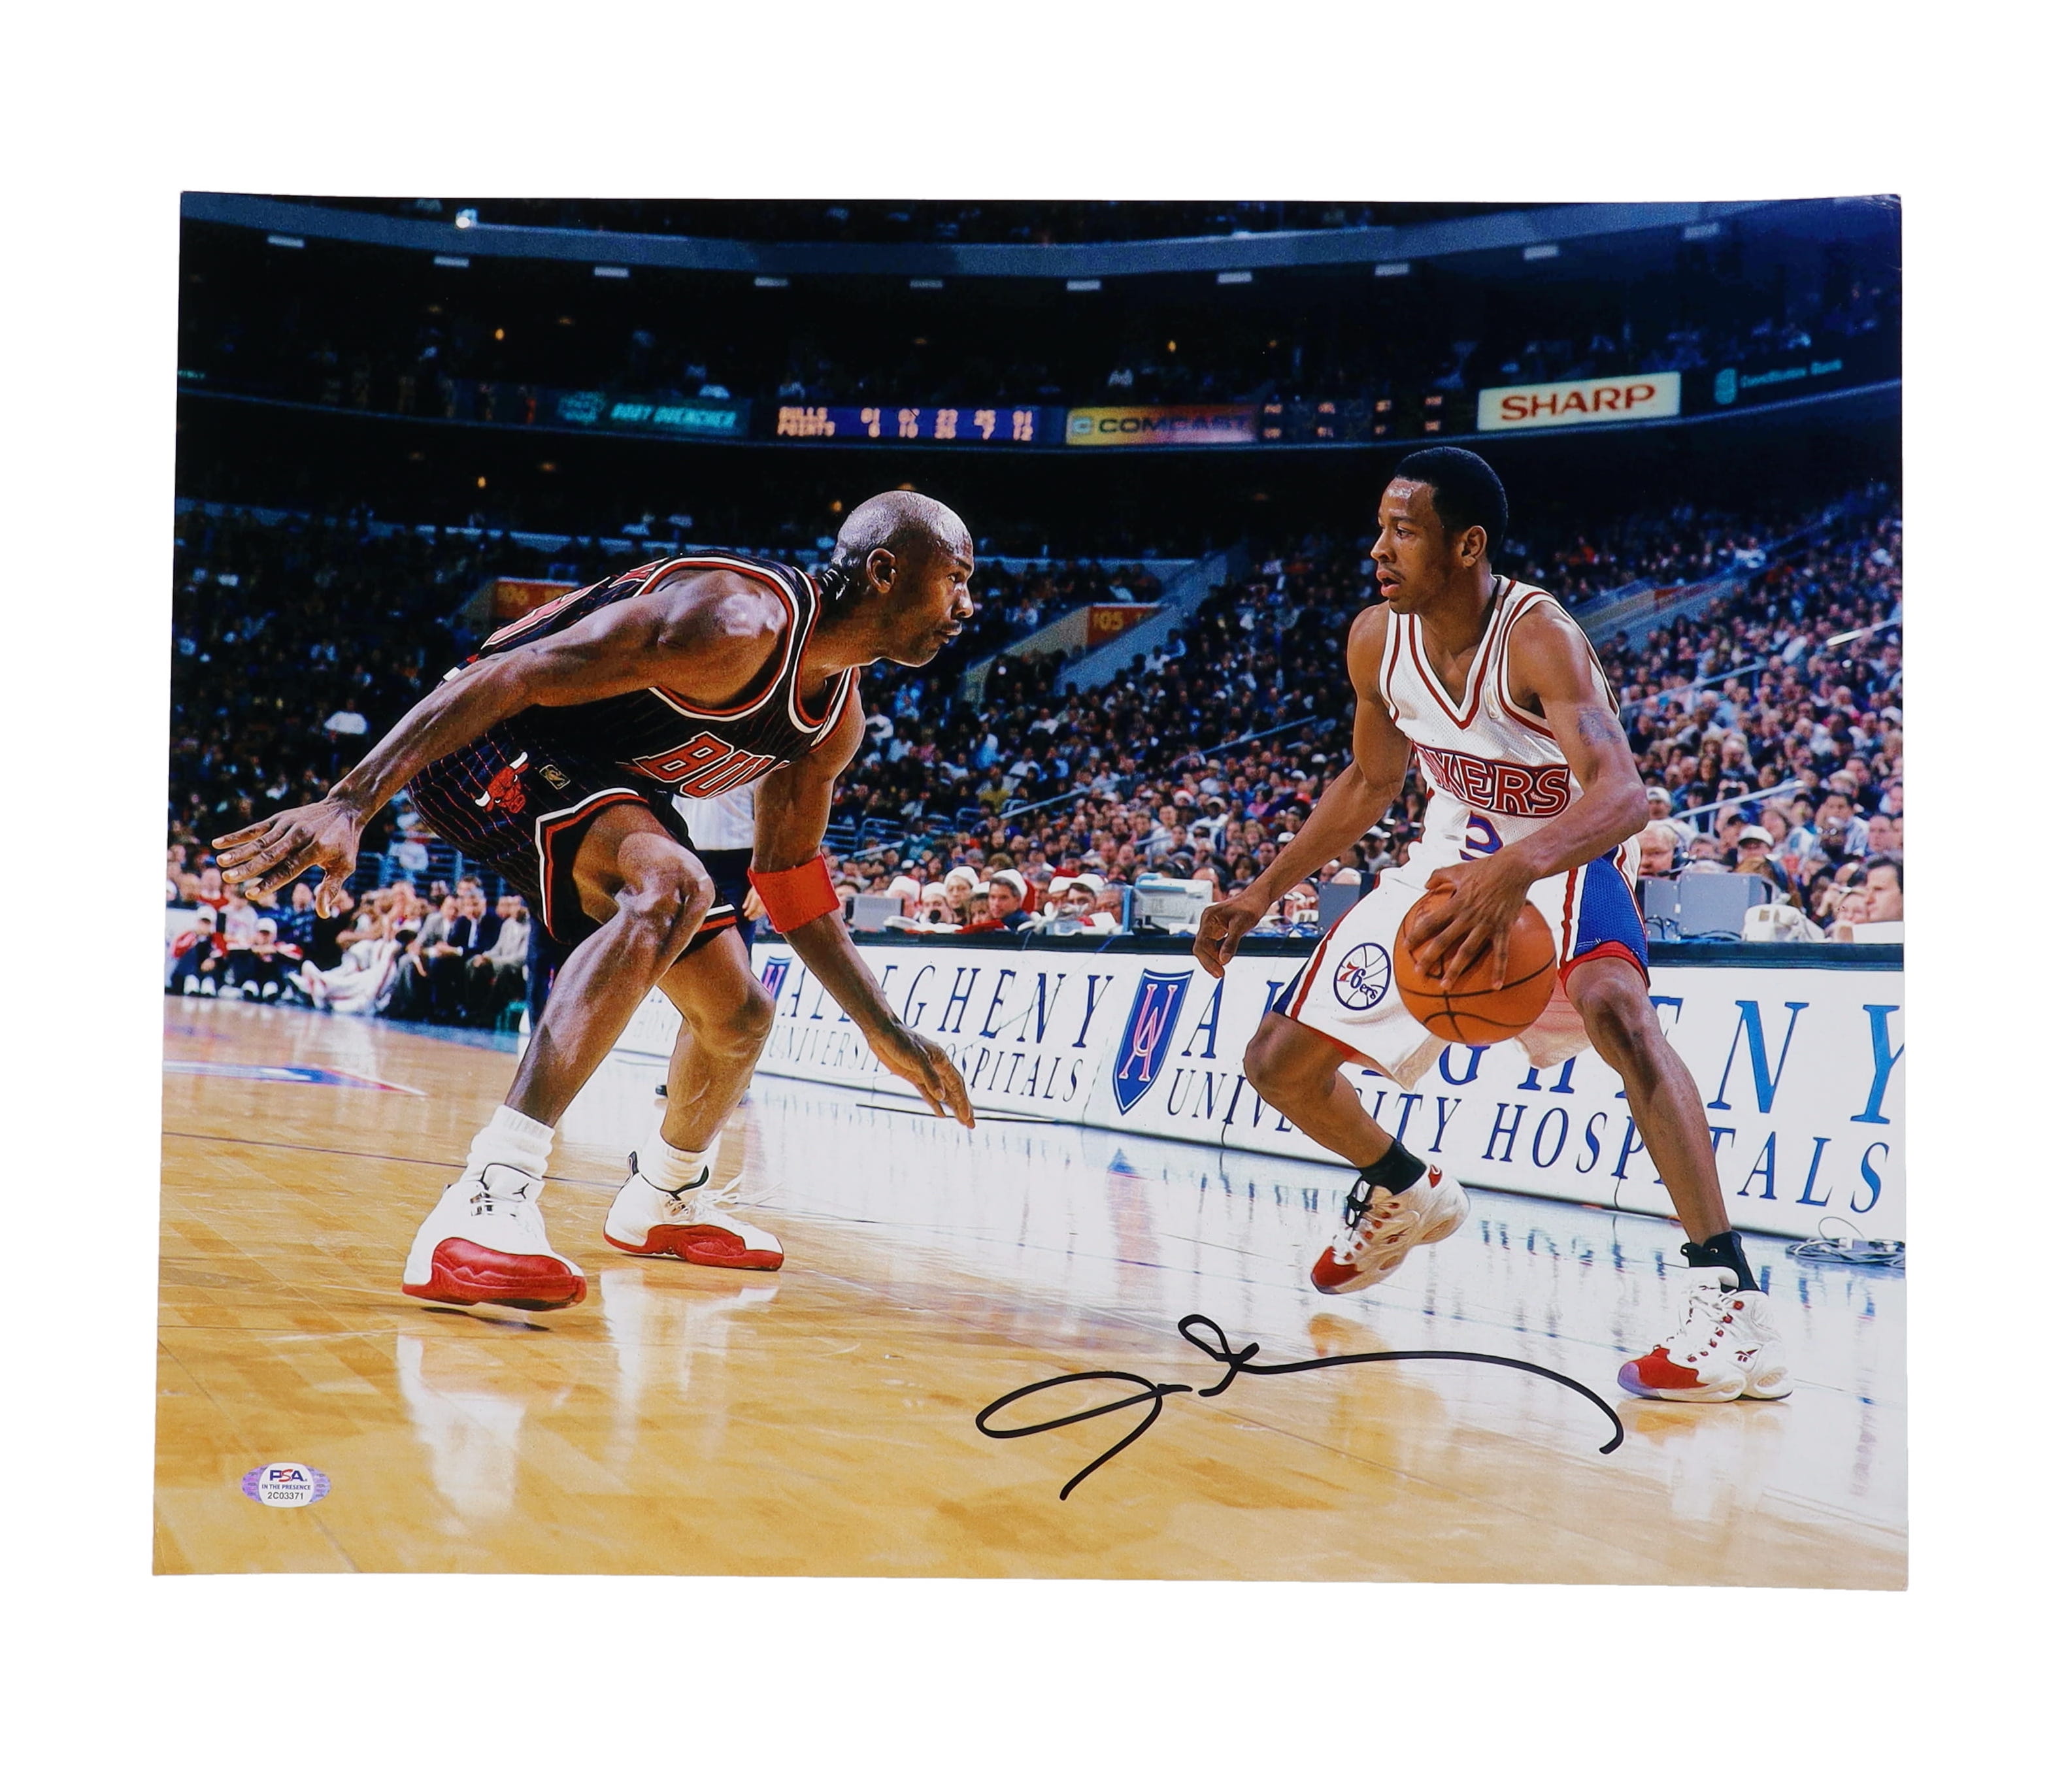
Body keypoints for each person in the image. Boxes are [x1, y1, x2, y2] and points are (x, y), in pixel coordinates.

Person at [216, 491, 978, 1312]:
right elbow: (507, 675)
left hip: (608, 783)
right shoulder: (735, 620)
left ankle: (666, 1195)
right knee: (674, 885)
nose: (967, 606)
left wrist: (884, 1028)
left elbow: (789, 879)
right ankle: (486, 1198)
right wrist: (352, 801)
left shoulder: (834, 720)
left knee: (739, 1018)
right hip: (485, 735)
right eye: (956, 579)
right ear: (885, 570)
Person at [1195, 448, 1790, 1404]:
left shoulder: (1537, 636)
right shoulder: (1375, 640)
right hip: (1452, 856)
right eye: (1380, 528)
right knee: (1276, 1064)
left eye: (1403, 532)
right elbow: (1371, 782)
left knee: (1616, 1010)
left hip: (1566, 847)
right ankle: (1405, 1186)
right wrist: (1260, 891)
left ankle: (1731, 1298)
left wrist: (1516, 870)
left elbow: (1624, 796)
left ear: (1467, 545)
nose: (1379, 549)